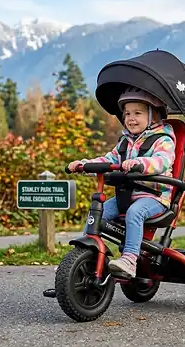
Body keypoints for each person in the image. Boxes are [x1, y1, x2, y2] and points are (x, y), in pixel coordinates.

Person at [67, 87, 176, 278]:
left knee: (135, 212)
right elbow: (108, 160)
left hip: (155, 198)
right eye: (127, 114)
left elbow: (162, 162)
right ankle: (84, 258)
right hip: (126, 196)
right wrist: (85, 165)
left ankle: (130, 259)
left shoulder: (163, 140)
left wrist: (140, 164)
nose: (131, 118)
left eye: (138, 113)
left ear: (153, 116)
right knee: (98, 213)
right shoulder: (125, 142)